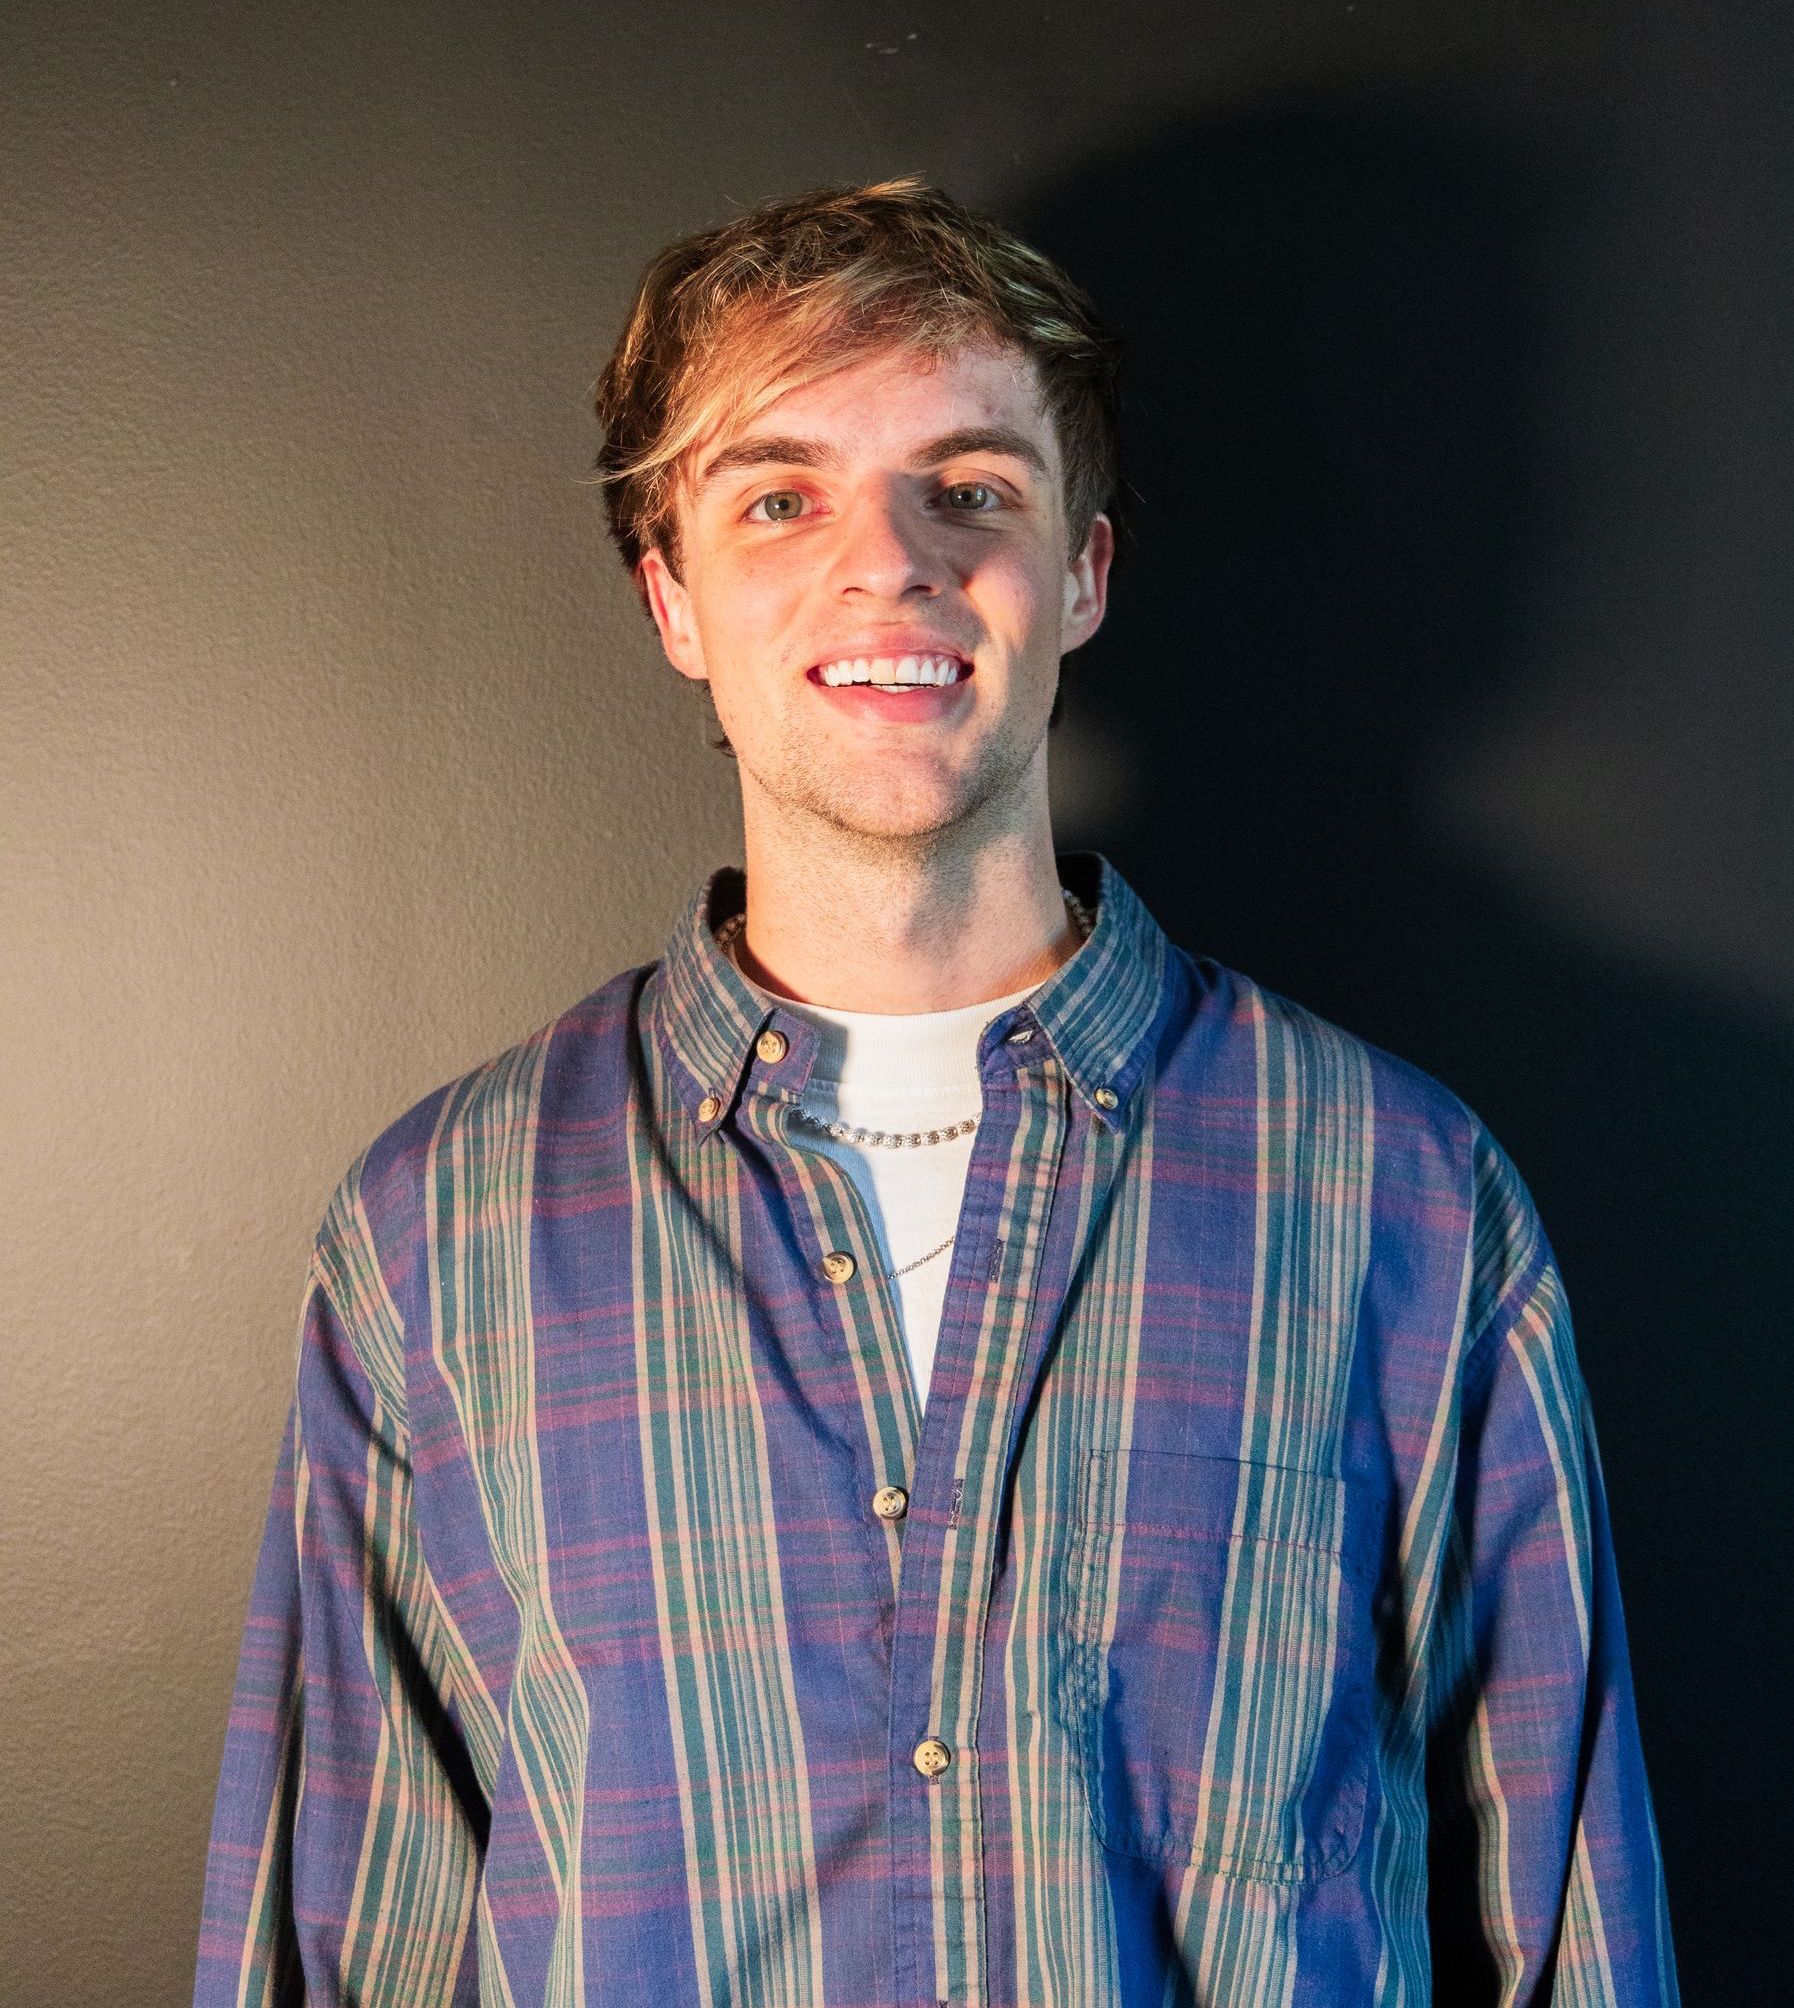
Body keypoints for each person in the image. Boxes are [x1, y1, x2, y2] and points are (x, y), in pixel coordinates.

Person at [194, 178, 1679, 2005]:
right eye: (777, 498)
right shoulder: (438, 1235)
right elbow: (336, 1947)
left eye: (967, 489)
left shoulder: (1402, 1199)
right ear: (673, 598)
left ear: (1082, 572)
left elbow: (1573, 1931)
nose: (884, 560)